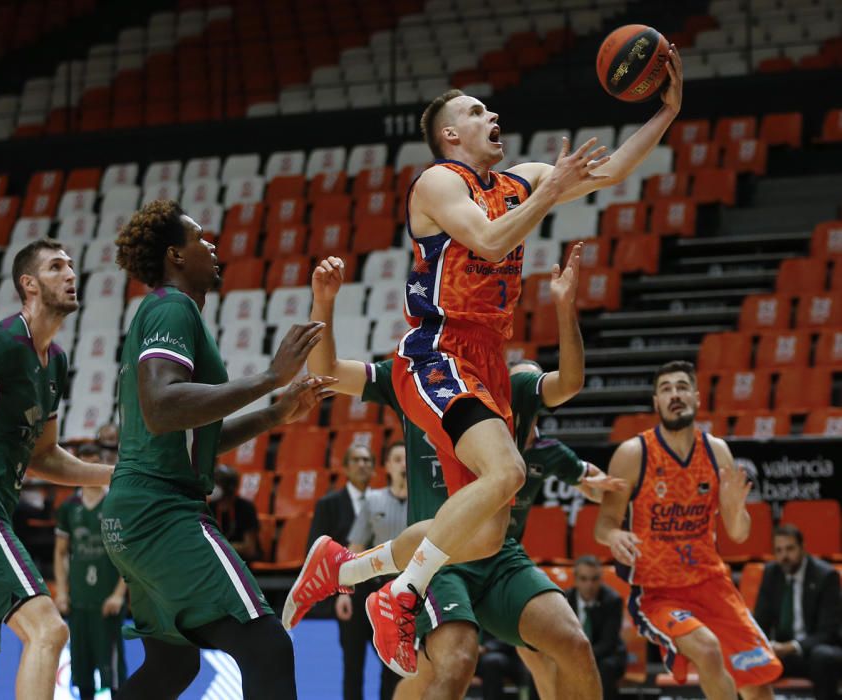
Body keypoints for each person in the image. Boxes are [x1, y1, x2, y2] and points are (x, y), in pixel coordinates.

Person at [334, 48, 682, 676]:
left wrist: (666, 112)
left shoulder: (517, 179)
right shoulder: (438, 181)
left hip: (490, 359)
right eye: (475, 110)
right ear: (450, 134)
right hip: (438, 350)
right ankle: (400, 595)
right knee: (509, 470)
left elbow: (608, 174)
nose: (490, 113)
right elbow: (491, 239)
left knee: (486, 536)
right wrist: (549, 189)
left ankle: (350, 567)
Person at [289, 254, 625, 700]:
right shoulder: (409, 374)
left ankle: (347, 568)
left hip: (499, 555)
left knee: (574, 643)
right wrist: (324, 303)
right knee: (455, 664)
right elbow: (324, 371)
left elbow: (570, 382)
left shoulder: (508, 381)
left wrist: (565, 308)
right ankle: (354, 570)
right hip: (441, 559)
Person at [103, 199, 336, 699]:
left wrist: (274, 412)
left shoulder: (171, 312)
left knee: (172, 666)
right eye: (198, 237)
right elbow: (163, 407)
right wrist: (271, 377)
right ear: (175, 255)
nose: (211, 244)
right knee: (267, 645)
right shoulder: (171, 306)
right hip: (162, 511)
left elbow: (193, 439)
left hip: (133, 514)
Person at [595, 360, 782, 700]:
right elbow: (603, 524)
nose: (674, 395)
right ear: (656, 403)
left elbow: (738, 533)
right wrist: (614, 535)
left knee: (758, 684)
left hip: (712, 583)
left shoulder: (717, 452)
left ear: (696, 397)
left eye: (682, 387)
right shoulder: (633, 454)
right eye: (666, 389)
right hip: (657, 591)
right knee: (708, 650)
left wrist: (736, 509)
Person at [0, 239, 114, 700]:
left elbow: (45, 456)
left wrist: (113, 475)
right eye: (56, 266)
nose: (70, 274)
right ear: (30, 284)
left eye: (71, 266)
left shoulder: (56, 362)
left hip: (1, 506)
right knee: (49, 630)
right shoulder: (1, 343)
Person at [305, 442, 380, 700]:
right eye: (357, 460)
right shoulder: (329, 504)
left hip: (382, 593)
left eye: (367, 460)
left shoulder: (384, 499)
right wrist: (339, 592)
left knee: (393, 666)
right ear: (346, 468)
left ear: (374, 468)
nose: (362, 465)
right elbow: (317, 549)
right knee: (353, 665)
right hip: (349, 595)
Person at [54, 442, 127, 699]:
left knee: (114, 673)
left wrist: (119, 594)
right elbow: (61, 552)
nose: (88, 469)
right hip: (79, 599)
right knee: (81, 670)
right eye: (82, 464)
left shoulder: (116, 503)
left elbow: (128, 555)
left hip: (107, 598)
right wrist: (62, 592)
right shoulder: (69, 506)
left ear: (100, 462)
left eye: (93, 462)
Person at [343, 441, 408, 700]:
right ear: (387, 467)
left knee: (395, 667)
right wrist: (344, 592)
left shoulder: (423, 500)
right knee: (358, 661)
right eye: (397, 459)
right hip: (376, 590)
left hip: (412, 592)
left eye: (407, 459)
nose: (403, 464)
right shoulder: (373, 500)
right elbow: (354, 550)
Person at [753, 524, 842, 700]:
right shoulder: (771, 574)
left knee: (823, 657)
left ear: (803, 548)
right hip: (783, 653)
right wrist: (764, 647)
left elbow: (829, 632)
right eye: (779, 550)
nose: (784, 556)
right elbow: (760, 622)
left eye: (790, 549)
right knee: (748, 661)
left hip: (815, 650)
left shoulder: (825, 576)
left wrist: (791, 646)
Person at [566, 555, 627, 700]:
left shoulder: (612, 600)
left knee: (606, 668)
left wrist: (580, 659)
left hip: (605, 655)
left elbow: (608, 643)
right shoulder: (564, 600)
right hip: (572, 655)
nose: (589, 585)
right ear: (575, 580)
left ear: (601, 579)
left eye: (594, 579)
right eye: (584, 579)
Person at [210, 464, 260, 561]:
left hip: (242, 562)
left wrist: (219, 546)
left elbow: (250, 549)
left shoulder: (246, 508)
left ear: (229, 488)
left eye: (217, 483)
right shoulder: (211, 507)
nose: (213, 487)